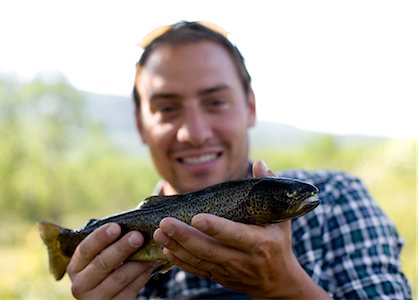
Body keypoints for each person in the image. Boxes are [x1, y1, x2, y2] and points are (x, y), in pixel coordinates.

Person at [66, 21, 411, 299]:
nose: (194, 133)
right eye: (168, 109)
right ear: (140, 125)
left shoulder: (338, 200)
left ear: (250, 106)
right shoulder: (115, 255)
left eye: (215, 102)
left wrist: (287, 288)